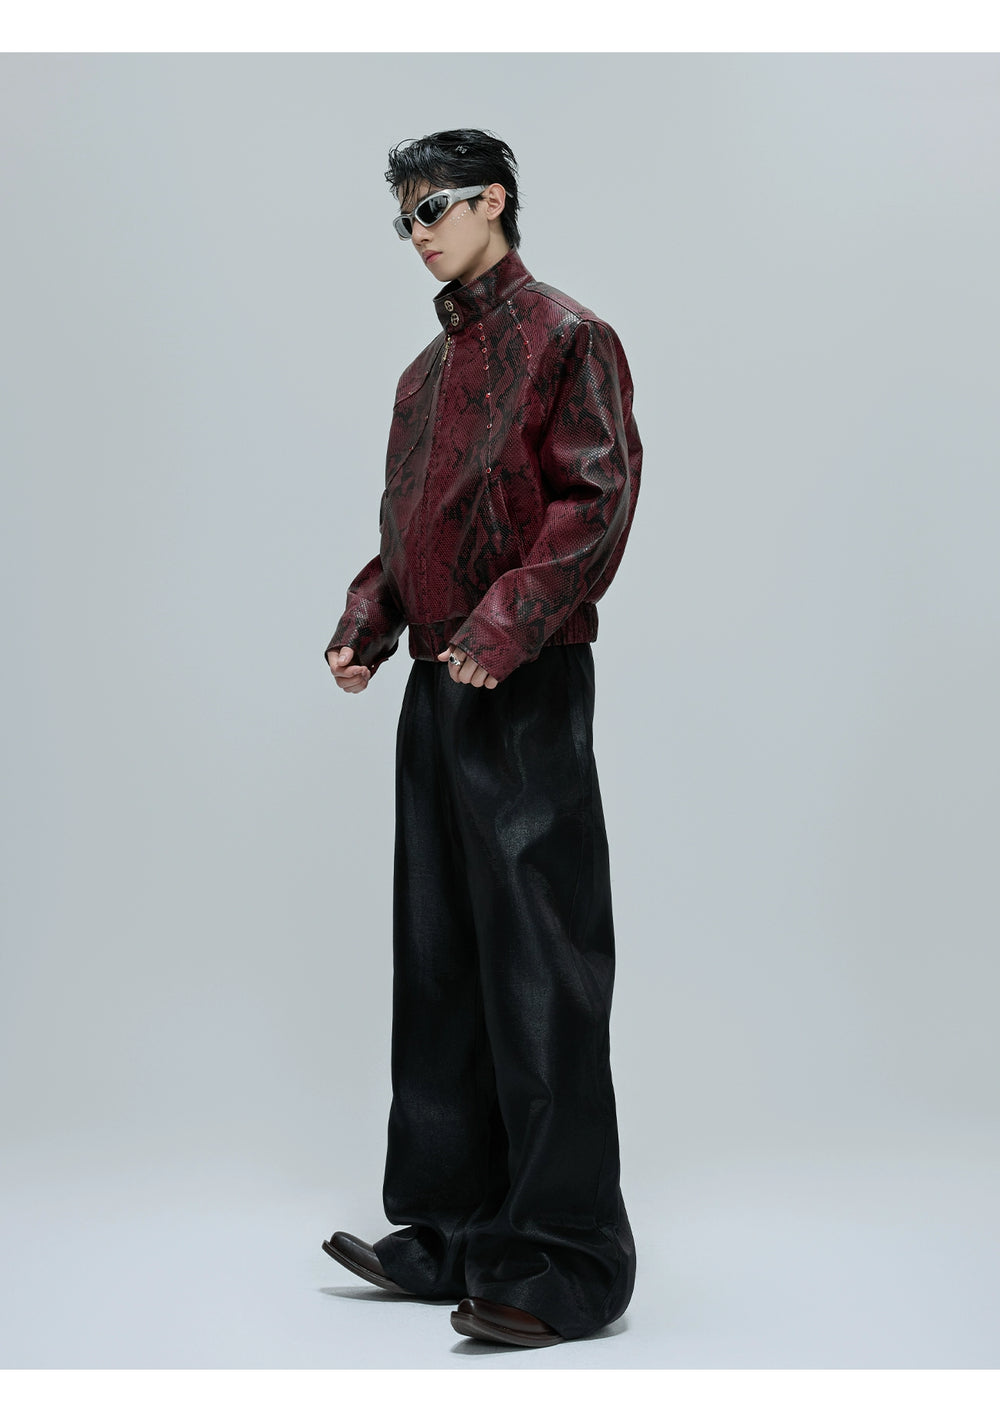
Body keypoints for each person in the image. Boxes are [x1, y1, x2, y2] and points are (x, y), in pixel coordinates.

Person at [321, 128, 642, 1348]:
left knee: (539, 968)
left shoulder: (566, 336)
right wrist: (369, 616)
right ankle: (455, 1227)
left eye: (434, 207)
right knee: (440, 958)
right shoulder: (425, 373)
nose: (418, 232)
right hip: (435, 682)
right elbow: (412, 522)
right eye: (404, 216)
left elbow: (595, 500)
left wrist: (507, 621)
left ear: (494, 200)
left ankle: (566, 1258)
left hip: (525, 682)